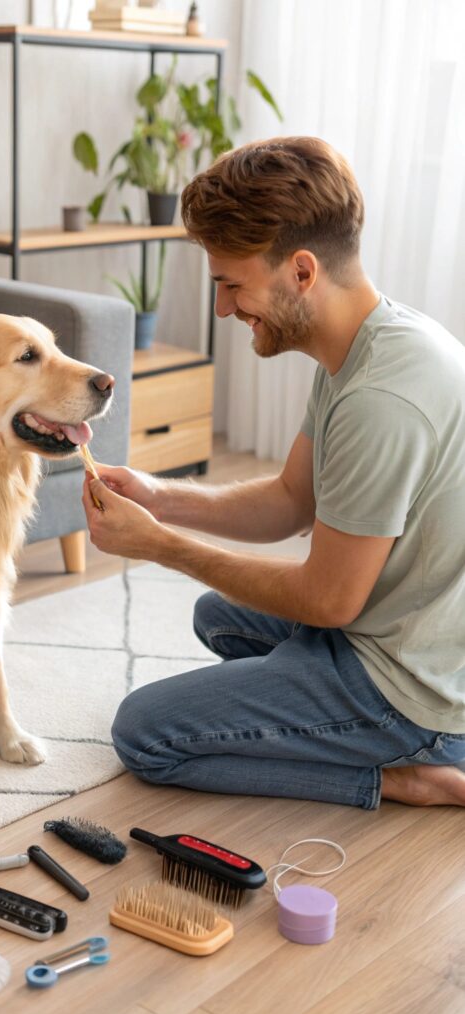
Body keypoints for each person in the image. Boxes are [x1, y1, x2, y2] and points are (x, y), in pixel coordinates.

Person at [82, 136, 465, 811]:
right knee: (218, 617)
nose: (224, 309)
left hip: (410, 693)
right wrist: (160, 499)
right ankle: (312, 702)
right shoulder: (368, 342)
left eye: (232, 285)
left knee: (144, 734)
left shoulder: (380, 400)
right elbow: (291, 500)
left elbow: (326, 602)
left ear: (301, 271)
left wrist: (157, 546)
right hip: (413, 635)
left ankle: (395, 773)